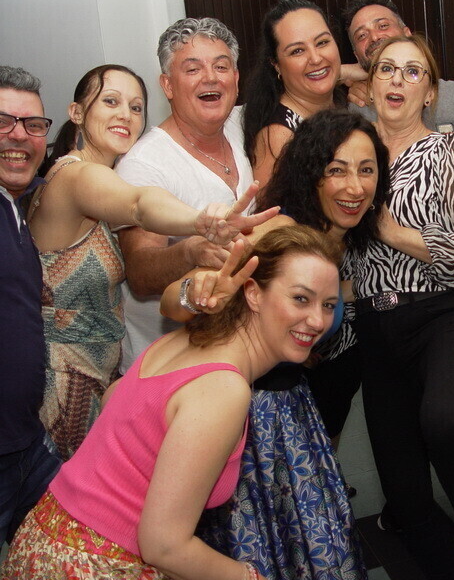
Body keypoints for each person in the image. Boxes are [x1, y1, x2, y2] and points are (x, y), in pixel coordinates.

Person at [0, 226, 342, 580]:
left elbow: (115, 399)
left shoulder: (183, 340)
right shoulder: (225, 388)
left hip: (46, 537)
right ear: (253, 293)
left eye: (329, 305)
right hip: (93, 563)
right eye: (300, 299)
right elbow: (164, 547)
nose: (317, 320)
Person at [163, 110, 389, 579]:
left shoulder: (349, 243)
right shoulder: (277, 231)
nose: (354, 186)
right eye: (337, 170)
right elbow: (173, 300)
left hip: (299, 418)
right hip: (243, 422)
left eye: (366, 170)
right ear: (311, 174)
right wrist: (198, 292)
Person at [28, 64, 272, 461]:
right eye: (111, 101)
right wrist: (201, 220)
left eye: (136, 107)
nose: (125, 115)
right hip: (64, 383)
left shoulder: (98, 178)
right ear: (77, 112)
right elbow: (140, 204)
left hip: (96, 374)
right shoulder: (76, 177)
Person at [350, 34, 454, 580]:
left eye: (412, 71)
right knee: (405, 495)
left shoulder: (453, 151)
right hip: (376, 325)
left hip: (448, 313)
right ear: (370, 85)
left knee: (448, 419)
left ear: (429, 93)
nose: (397, 79)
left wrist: (393, 231)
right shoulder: (351, 157)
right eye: (386, 69)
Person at [116, 17, 254, 374]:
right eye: (192, 69)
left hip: (238, 356)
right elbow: (139, 272)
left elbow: (301, 92)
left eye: (221, 66)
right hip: (168, 369)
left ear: (236, 78)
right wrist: (191, 251)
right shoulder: (144, 165)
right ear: (168, 85)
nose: (211, 78)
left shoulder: (244, 126)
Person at [0, 66, 62, 547]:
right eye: (3, 121)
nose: (19, 135)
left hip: (28, 444)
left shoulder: (21, 203)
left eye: (33, 125)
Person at [243, 0, 343, 184]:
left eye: (322, 42)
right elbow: (272, 204)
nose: (315, 58)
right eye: (297, 51)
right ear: (276, 65)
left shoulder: (341, 103)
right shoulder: (280, 137)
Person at [341, 0, 454, 133]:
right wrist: (344, 72)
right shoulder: (359, 105)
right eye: (362, 35)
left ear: (407, 33)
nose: (374, 37)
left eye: (383, 26)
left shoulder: (452, 95)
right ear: (357, 56)